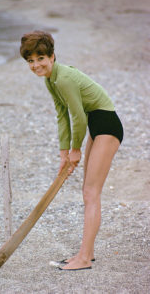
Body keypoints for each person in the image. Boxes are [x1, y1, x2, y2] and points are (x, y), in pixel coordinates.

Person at [20, 30, 123, 271]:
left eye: (40, 59)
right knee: (87, 191)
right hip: (96, 125)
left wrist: (76, 149)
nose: (36, 65)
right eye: (30, 61)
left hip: (106, 125)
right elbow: (62, 116)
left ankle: (84, 258)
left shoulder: (63, 78)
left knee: (91, 192)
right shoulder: (51, 79)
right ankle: (87, 253)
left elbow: (78, 116)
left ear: (52, 57)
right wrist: (64, 153)